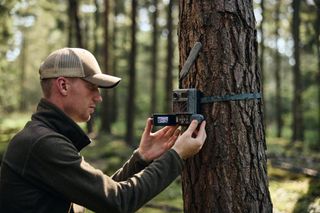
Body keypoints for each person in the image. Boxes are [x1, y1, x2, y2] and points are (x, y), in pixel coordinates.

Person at [0, 48, 207, 213]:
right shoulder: (43, 142)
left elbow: (98, 198)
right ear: (63, 86)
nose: (98, 97)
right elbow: (118, 202)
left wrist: (141, 158)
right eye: (92, 87)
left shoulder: (45, 136)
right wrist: (177, 155)